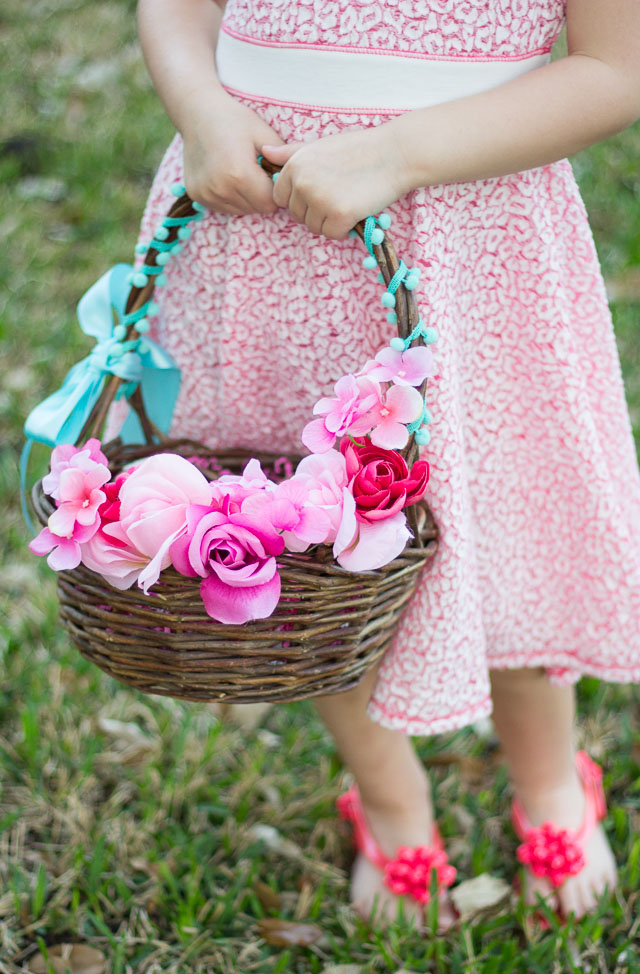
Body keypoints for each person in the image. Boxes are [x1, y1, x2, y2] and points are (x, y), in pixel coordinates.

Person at [133, 0, 640, 927]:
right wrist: (200, 106)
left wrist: (395, 155)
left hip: (469, 233)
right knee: (304, 547)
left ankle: (553, 785)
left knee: (503, 523)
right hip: (263, 231)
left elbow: (619, 66)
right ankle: (391, 802)